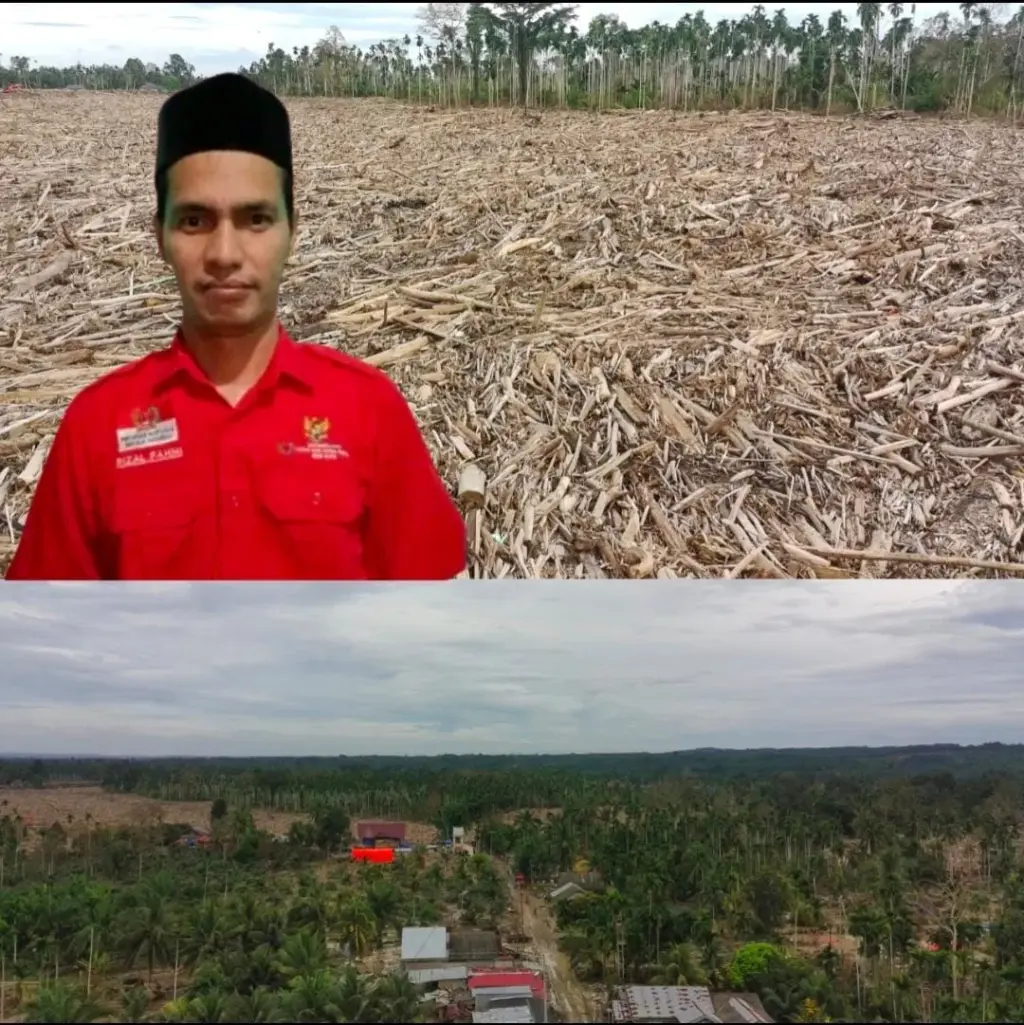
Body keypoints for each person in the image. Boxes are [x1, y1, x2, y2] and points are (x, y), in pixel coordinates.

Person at [6, 74, 466, 581]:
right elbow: (51, 638)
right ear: (159, 236)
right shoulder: (96, 428)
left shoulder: (369, 411)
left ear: (293, 231)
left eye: (255, 219)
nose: (224, 254)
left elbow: (431, 623)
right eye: (195, 221)